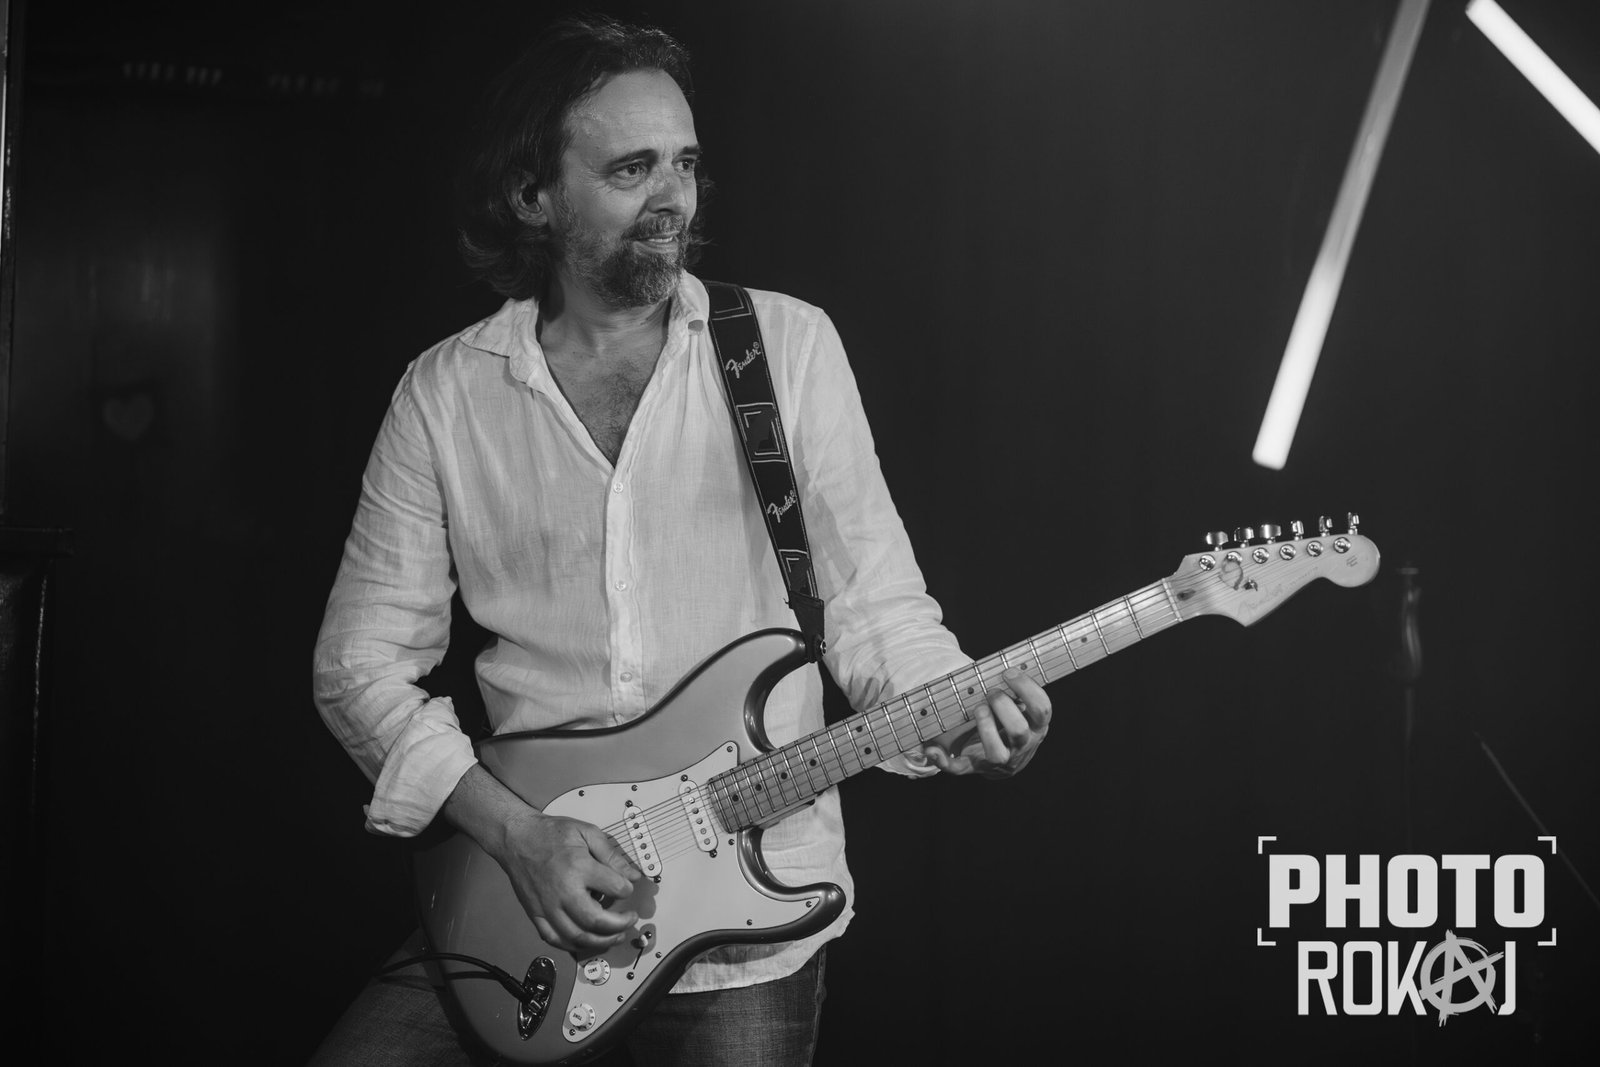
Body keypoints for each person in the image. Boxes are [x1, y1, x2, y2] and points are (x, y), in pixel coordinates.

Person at [309, 14, 1051, 1067]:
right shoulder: (446, 395)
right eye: (631, 169)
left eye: (686, 163)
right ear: (532, 195)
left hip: (747, 932)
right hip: (520, 897)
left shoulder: (785, 347)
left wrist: (958, 709)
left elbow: (877, 608)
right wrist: (519, 835)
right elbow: (356, 664)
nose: (674, 197)